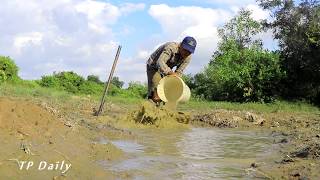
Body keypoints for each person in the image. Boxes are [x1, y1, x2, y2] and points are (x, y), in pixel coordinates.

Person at [146, 36, 197, 103]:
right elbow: (160, 62)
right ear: (181, 45)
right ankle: (149, 109)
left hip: (167, 70)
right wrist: (171, 73)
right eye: (185, 50)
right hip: (154, 66)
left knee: (168, 92)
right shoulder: (171, 47)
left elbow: (179, 72)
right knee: (157, 93)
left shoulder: (188, 57)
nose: (187, 53)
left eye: (189, 52)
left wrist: (176, 82)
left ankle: (166, 111)